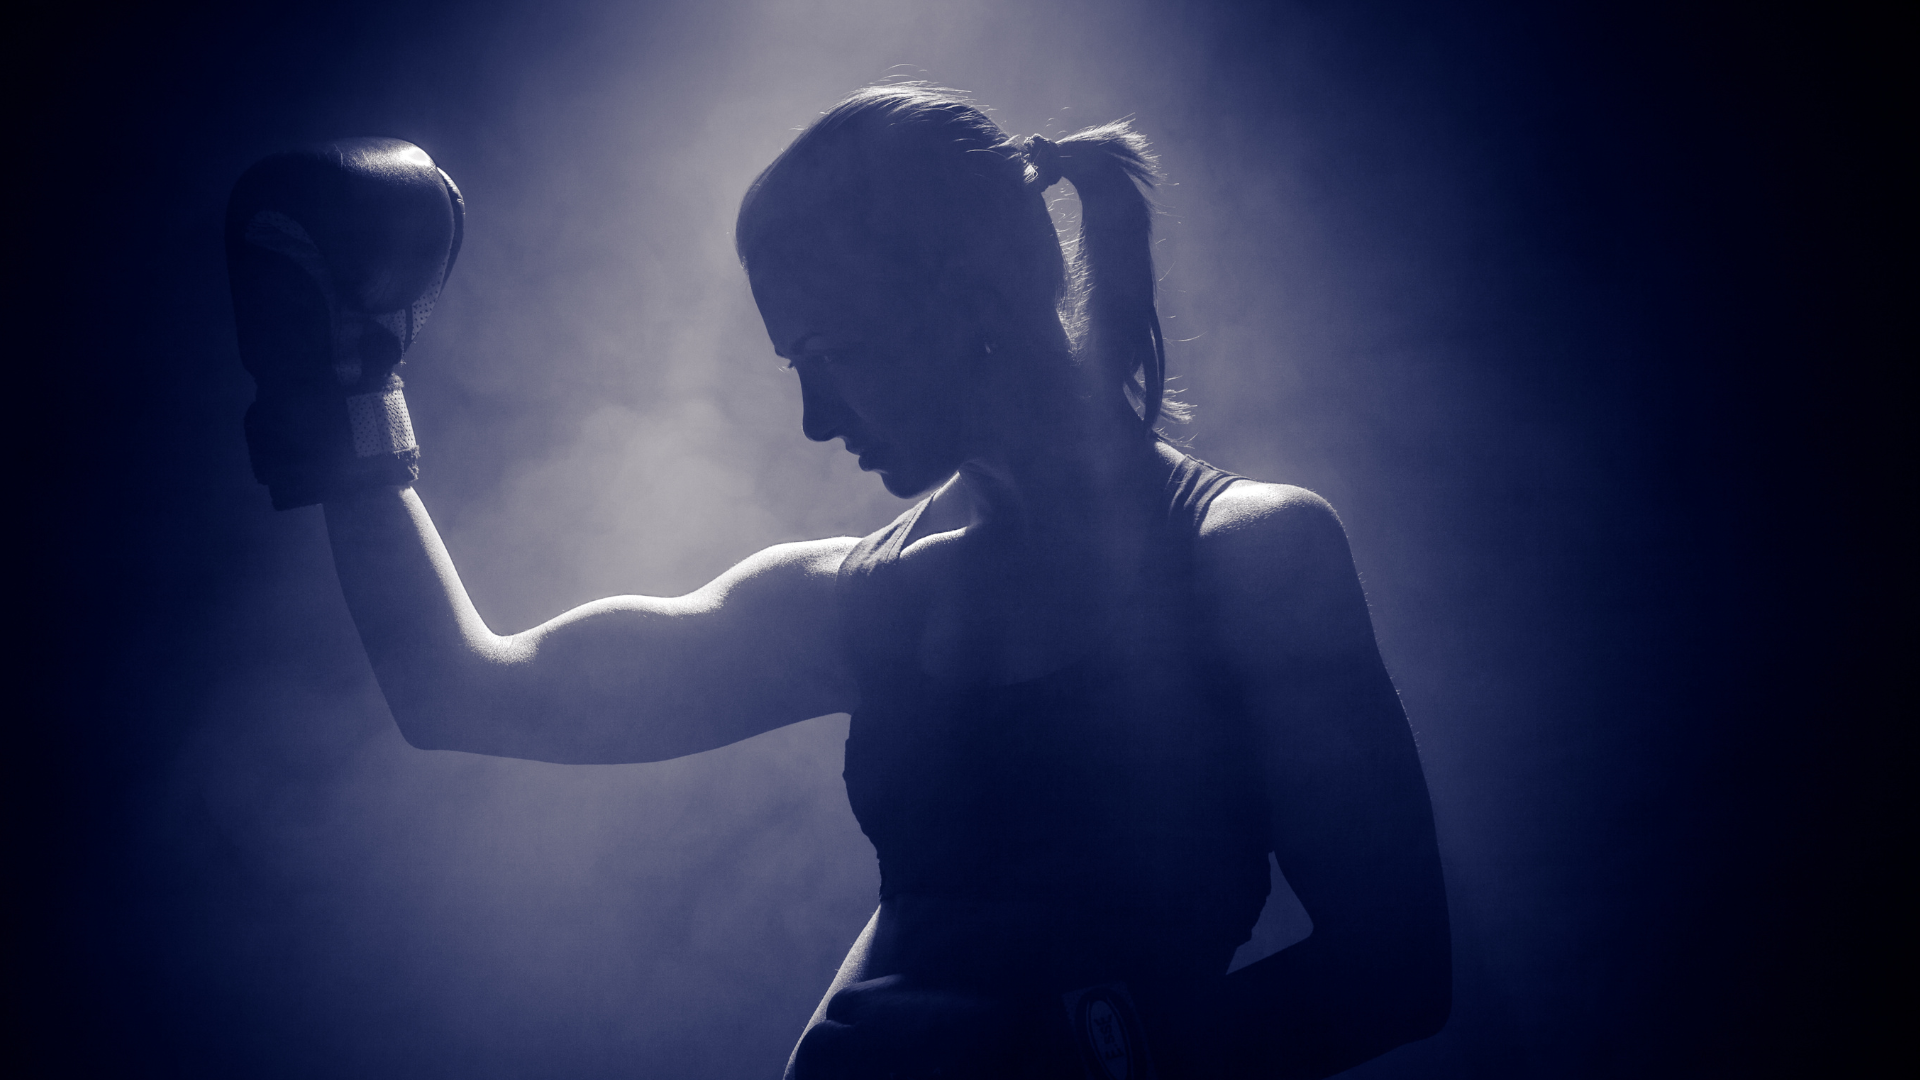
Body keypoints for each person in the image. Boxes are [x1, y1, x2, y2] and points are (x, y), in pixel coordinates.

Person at [226, 85, 1450, 1079]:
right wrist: (350, 393)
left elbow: (1399, 968)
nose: (814, 419)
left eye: (829, 352)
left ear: (957, 301)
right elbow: (464, 694)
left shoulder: (1249, 554)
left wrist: (1093, 1057)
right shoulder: (866, 598)